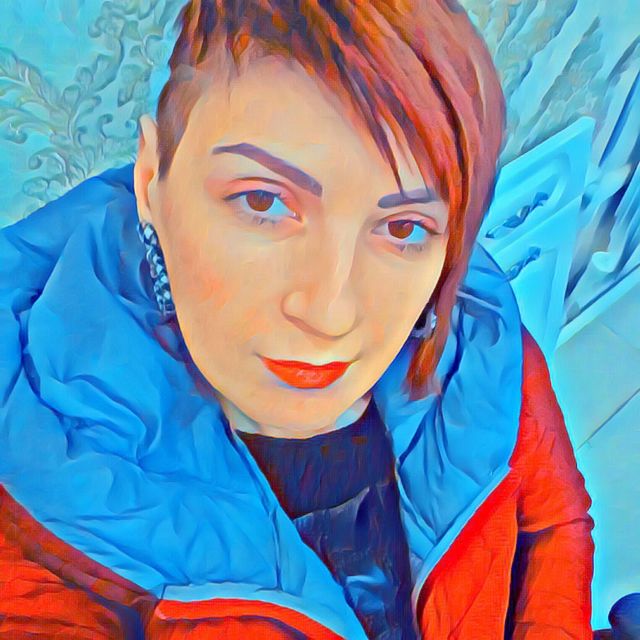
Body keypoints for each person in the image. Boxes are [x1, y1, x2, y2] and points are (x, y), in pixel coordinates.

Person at [0, 0, 594, 637]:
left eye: (402, 228)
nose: (329, 314)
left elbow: (553, 525)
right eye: (262, 201)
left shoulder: (476, 333)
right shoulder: (37, 485)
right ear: (151, 180)